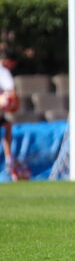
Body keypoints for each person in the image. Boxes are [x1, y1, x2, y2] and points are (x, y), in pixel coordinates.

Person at [0, 52, 21, 181]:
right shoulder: (3, 72)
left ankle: (9, 162)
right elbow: (12, 94)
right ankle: (9, 162)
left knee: (7, 126)